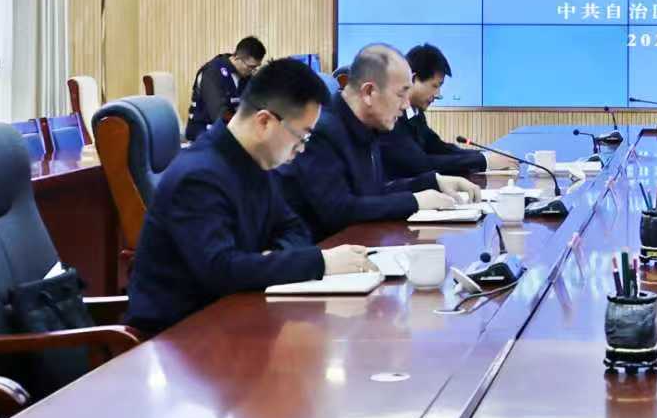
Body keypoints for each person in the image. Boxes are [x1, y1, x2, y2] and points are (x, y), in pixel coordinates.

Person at [125, 58, 379, 332]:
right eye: (302, 137)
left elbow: (295, 228)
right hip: (178, 337)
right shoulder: (198, 177)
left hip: (234, 318)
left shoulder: (256, 162)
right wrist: (320, 262)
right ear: (265, 122)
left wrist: (267, 260)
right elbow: (221, 270)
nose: (302, 149)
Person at [286, 44, 473, 239]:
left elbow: (375, 191)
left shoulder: (368, 124)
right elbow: (339, 210)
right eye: (401, 94)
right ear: (369, 92)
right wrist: (414, 201)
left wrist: (433, 181)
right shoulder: (322, 131)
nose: (406, 104)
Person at [396, 44, 486, 177]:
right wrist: (482, 160)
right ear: (412, 79)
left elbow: (439, 147)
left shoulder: (416, 113)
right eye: (435, 86)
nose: (438, 94)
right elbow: (419, 163)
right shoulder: (393, 117)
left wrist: (484, 156)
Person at [185, 35, 266, 143]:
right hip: (204, 130)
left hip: (232, 128)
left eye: (256, 67)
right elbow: (219, 114)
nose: (252, 71)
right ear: (237, 58)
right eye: (251, 67)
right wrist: (245, 125)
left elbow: (254, 104)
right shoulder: (212, 72)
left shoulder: (246, 76)